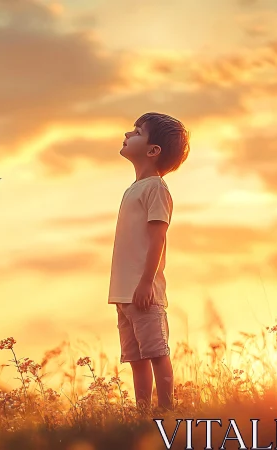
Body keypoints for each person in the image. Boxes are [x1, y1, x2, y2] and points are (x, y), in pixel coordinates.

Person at [109, 112, 191, 413]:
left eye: (137, 131)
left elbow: (158, 239)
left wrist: (146, 283)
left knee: (156, 352)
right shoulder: (133, 189)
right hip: (123, 294)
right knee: (135, 358)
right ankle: (143, 413)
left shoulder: (156, 188)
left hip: (144, 292)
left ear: (153, 150)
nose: (128, 135)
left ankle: (167, 411)